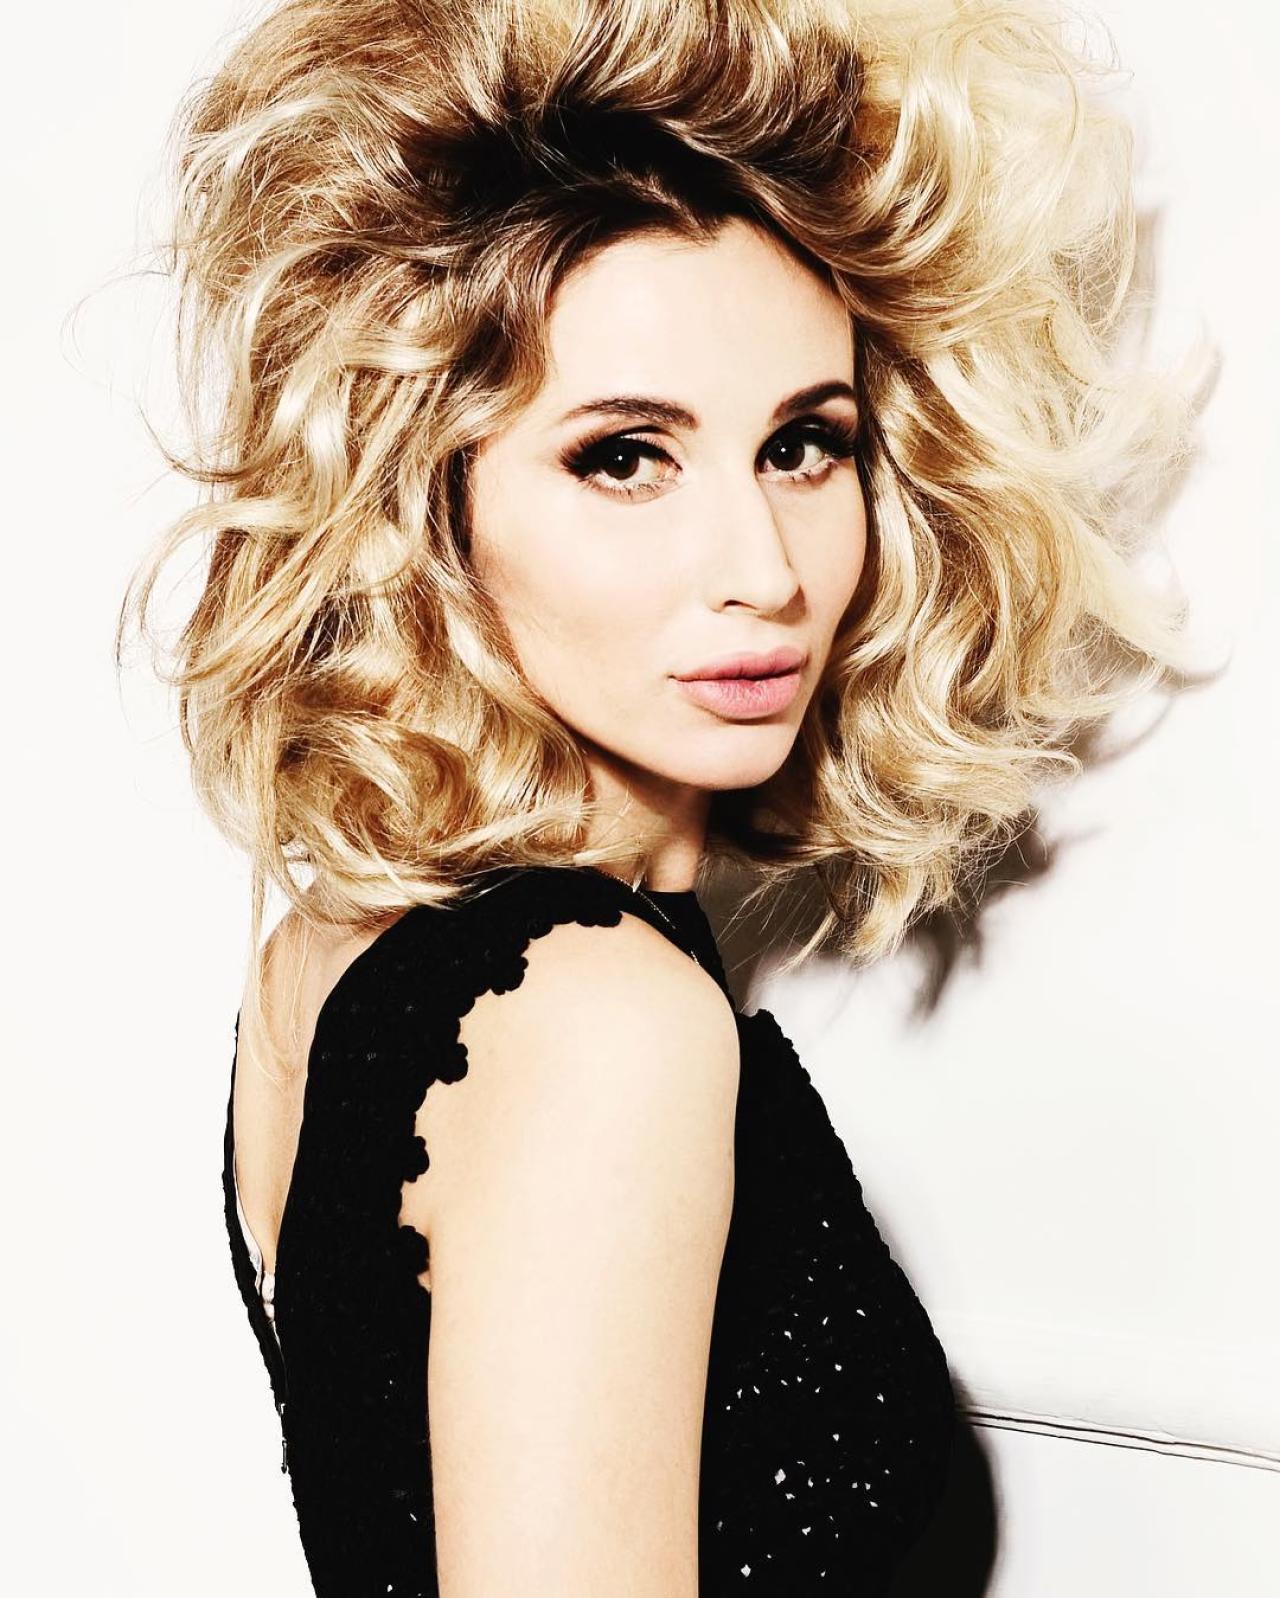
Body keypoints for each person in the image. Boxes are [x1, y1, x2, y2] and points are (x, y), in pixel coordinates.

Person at [117, 0, 1195, 1592]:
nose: (765, 569)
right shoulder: (601, 1019)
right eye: (626, 457)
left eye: (805, 445)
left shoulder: (335, 952)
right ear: (431, 501)